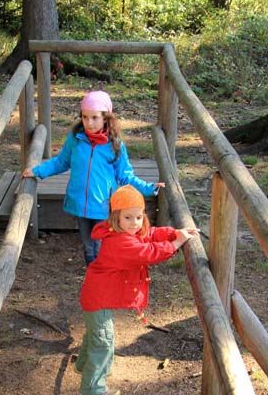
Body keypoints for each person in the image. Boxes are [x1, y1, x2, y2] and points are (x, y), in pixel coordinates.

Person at [74, 185, 199, 395]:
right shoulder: (119, 242)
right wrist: (177, 243)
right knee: (104, 339)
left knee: (96, 334)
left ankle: (85, 365)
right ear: (116, 218)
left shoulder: (127, 232)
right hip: (99, 298)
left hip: (100, 295)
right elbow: (148, 252)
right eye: (128, 218)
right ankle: (92, 387)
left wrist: (172, 233)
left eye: (138, 217)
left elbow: (150, 234)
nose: (134, 223)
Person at [22, 90, 164, 265]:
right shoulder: (76, 139)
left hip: (103, 205)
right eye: (85, 117)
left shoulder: (114, 143)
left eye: (94, 117)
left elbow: (125, 176)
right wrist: (37, 171)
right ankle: (93, 273)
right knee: (88, 245)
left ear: (105, 118)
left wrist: (149, 187)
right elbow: (61, 162)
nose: (89, 123)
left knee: (100, 245)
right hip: (79, 202)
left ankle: (102, 274)